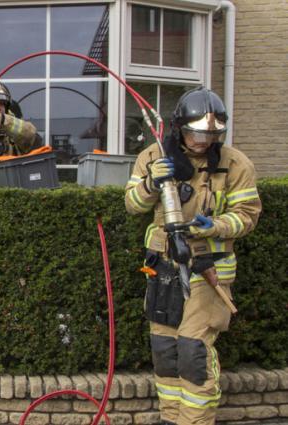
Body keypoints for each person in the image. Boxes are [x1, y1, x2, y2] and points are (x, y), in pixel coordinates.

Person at [124, 87, 261, 425]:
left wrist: (215, 226)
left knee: (192, 350)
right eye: (196, 133)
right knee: (165, 349)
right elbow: (132, 205)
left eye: (211, 135)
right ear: (179, 128)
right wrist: (151, 184)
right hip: (164, 267)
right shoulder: (153, 156)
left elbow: (247, 216)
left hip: (208, 269)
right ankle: (171, 419)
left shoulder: (235, 164)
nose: (203, 141)